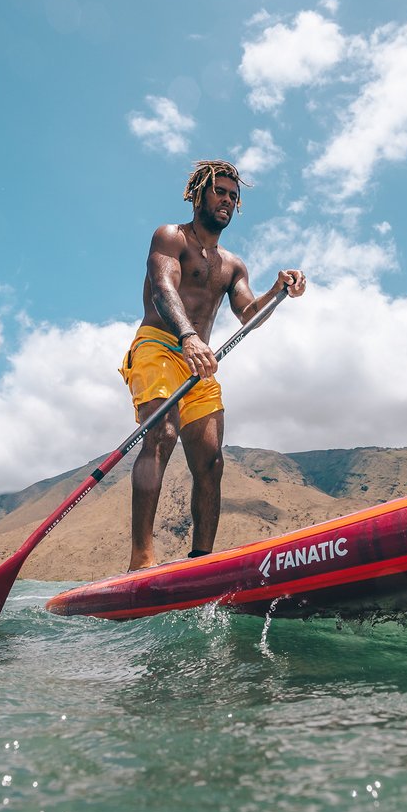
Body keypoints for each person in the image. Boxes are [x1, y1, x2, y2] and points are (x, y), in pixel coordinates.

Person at [118, 160, 306, 571]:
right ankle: (141, 559)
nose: (227, 200)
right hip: (159, 347)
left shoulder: (232, 265)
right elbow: (163, 287)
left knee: (211, 460)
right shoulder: (171, 237)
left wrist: (278, 291)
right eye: (220, 191)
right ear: (198, 195)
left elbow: (249, 315)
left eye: (233, 196)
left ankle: (201, 563)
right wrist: (188, 336)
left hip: (199, 364)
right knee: (161, 434)